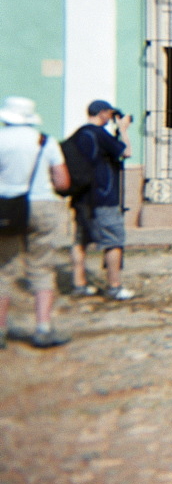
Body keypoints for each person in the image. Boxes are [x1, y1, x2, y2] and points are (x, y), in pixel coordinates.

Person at [0, 96, 72, 348]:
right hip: (42, 205)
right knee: (41, 267)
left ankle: (0, 330)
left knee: (3, 268)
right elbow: (63, 182)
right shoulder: (45, 141)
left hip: (6, 207)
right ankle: (43, 328)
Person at [69, 100, 135, 301]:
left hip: (82, 196)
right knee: (113, 240)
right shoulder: (100, 134)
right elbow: (126, 152)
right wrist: (123, 129)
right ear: (103, 113)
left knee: (81, 240)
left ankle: (79, 283)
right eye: (110, 114)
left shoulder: (79, 134)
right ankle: (114, 286)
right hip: (104, 196)